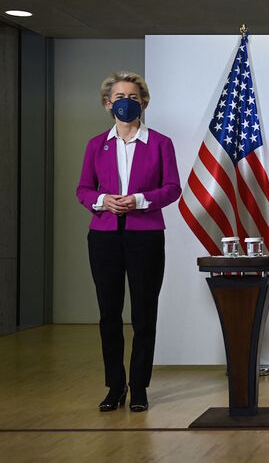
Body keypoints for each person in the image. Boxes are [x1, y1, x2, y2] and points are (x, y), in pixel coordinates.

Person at [77, 71, 181, 412]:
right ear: (108, 104)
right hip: (104, 237)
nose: (127, 102)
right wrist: (102, 200)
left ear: (144, 102)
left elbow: (172, 188)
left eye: (134, 97)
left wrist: (137, 200)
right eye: (120, 96)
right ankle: (114, 386)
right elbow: (83, 189)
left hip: (146, 236)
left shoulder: (161, 143)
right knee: (109, 314)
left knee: (144, 315)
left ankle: (139, 387)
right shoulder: (97, 144)